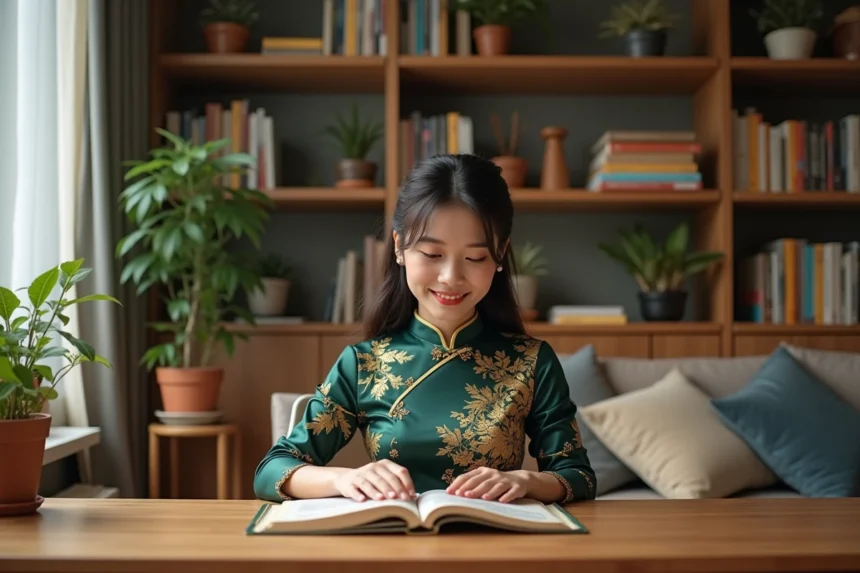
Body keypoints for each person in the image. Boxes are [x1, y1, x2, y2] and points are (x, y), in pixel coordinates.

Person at [253, 154, 596, 505]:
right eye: (432, 254)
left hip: (496, 544)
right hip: (393, 542)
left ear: (499, 256)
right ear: (400, 247)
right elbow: (272, 470)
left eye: (475, 257)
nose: (450, 277)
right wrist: (347, 478)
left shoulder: (530, 361)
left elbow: (578, 475)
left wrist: (525, 480)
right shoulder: (364, 363)